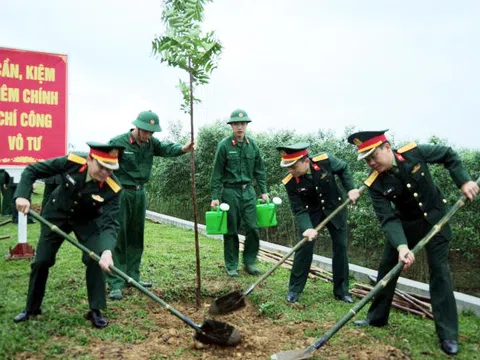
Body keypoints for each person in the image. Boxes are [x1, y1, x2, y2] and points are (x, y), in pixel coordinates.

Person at [347, 130, 479, 355]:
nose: (371, 163)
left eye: (373, 156)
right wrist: (401, 246)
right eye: (366, 159)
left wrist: (464, 181)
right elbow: (387, 218)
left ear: (387, 147)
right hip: (404, 226)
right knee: (387, 267)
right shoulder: (374, 183)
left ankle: (448, 334)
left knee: (440, 273)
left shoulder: (414, 153)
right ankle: (377, 317)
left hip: (435, 219)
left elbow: (448, 155)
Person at [13, 142, 125, 328]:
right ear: (90, 159)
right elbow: (32, 170)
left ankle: (95, 310)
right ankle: (32, 308)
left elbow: (110, 223)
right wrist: (23, 195)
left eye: (111, 169)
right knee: (42, 261)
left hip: (87, 221)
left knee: (95, 259)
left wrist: (106, 251)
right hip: (56, 215)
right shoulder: (72, 161)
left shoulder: (113, 188)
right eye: (103, 167)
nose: (106, 173)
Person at [106, 110, 195, 300]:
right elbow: (106, 167)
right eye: (145, 131)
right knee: (119, 235)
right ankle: (115, 282)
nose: (148, 135)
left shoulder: (151, 143)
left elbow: (166, 149)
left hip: (140, 193)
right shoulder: (118, 142)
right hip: (121, 193)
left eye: (151, 132)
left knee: (136, 236)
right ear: (137, 127)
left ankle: (133, 277)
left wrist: (184, 149)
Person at [277, 142, 360, 304]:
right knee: (303, 247)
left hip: (335, 209)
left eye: (293, 166)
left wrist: (350, 188)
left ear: (306, 161)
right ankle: (294, 289)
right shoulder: (290, 182)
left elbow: (343, 168)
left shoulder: (325, 161)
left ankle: (341, 291)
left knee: (341, 247)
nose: (290, 171)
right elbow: (299, 209)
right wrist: (307, 228)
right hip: (311, 214)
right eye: (288, 167)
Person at [210, 109, 268, 277]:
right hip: (230, 192)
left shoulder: (253, 145)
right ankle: (232, 265)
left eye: (242, 124)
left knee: (253, 227)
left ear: (247, 125)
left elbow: (260, 170)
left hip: (248, 191)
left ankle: (249, 262)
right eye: (236, 124)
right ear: (231, 126)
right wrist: (215, 196)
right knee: (231, 230)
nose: (239, 127)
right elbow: (217, 173)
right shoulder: (224, 145)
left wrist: (263, 191)